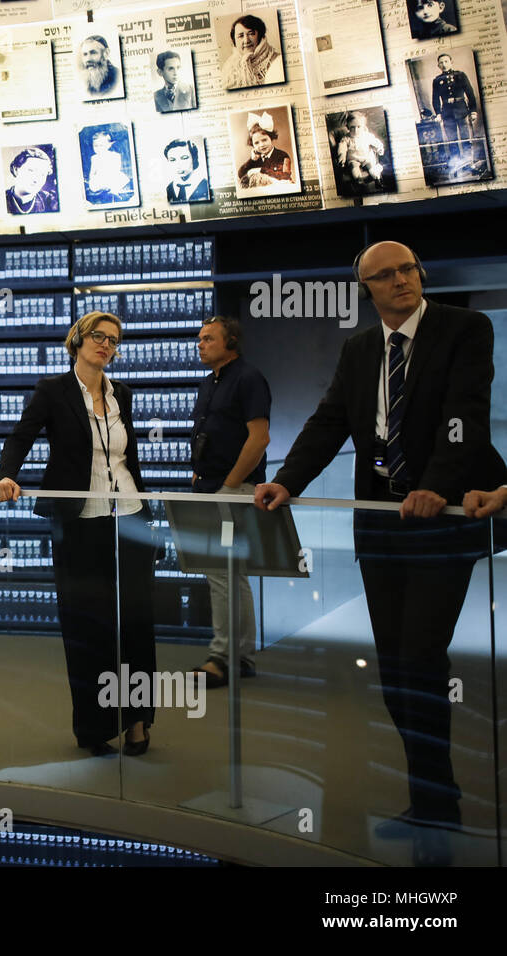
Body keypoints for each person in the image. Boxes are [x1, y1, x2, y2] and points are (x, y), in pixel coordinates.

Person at [253, 241, 494, 866]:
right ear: (367, 289)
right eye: (382, 276)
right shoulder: (360, 350)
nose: (398, 282)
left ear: (421, 274)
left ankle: (442, 801)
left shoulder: (465, 329)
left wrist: (435, 486)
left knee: (420, 657)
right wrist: (289, 479)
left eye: (406, 270)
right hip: (382, 526)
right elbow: (330, 421)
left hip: (440, 521)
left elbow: (464, 419)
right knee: (395, 671)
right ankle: (432, 797)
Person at [0, 312, 156, 757]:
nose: (106, 345)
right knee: (87, 627)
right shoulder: (53, 390)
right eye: (99, 337)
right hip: (80, 524)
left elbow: (127, 460)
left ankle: (139, 721)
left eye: (114, 340)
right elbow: (20, 438)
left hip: (131, 518)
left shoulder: (122, 393)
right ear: (78, 341)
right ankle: (95, 728)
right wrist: (7, 476)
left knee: (137, 625)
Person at [188, 316, 270, 688]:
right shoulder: (210, 382)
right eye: (200, 339)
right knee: (230, 577)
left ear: (231, 341)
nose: (200, 344)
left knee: (222, 576)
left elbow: (259, 439)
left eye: (208, 339)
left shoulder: (248, 378)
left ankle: (222, 658)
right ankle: (242, 657)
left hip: (230, 491)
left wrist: (231, 484)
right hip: (210, 488)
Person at [432, 53, 477, 160]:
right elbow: (435, 98)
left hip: (462, 111)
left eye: (446, 61)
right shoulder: (437, 80)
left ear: (451, 62)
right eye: (441, 63)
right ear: (438, 65)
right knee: (452, 141)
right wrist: (438, 113)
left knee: (466, 139)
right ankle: (457, 164)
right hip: (447, 113)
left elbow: (470, 94)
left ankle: (469, 162)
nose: (444, 64)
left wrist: (473, 111)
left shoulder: (460, 75)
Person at [221, 14, 281, 89]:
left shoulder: (277, 61)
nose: (246, 40)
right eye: (241, 36)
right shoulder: (229, 68)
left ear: (260, 36)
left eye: (251, 34)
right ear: (234, 41)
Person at [237, 114, 294, 189]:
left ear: (271, 138)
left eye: (264, 140)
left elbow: (285, 175)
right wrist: (251, 160)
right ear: (252, 145)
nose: (261, 145)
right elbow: (241, 174)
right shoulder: (256, 159)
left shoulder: (282, 155)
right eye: (256, 143)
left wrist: (260, 170)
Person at [335, 111, 386, 189]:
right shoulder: (346, 138)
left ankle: (377, 180)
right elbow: (342, 147)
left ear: (363, 127)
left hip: (366, 158)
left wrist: (379, 148)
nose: (356, 130)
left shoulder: (367, 136)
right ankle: (359, 181)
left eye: (359, 127)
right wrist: (341, 156)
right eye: (352, 127)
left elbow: (375, 141)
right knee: (353, 168)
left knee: (372, 167)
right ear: (347, 127)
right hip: (353, 159)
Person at [6, 146, 57, 215]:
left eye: (42, 174)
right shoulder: (1, 199)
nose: (36, 179)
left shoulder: (51, 201)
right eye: (31, 171)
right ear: (16, 170)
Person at [84, 130, 132, 202]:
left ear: (109, 145)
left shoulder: (115, 155)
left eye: (101, 145)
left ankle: (113, 191)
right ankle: (104, 189)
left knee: (123, 178)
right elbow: (92, 172)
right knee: (93, 184)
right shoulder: (94, 158)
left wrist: (110, 176)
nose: (98, 148)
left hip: (111, 176)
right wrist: (92, 179)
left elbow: (117, 169)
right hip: (100, 178)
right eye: (96, 146)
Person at [164, 139, 210, 203]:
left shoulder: (206, 185)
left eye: (184, 158)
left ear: (194, 159)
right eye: (172, 160)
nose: (178, 165)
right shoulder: (169, 188)